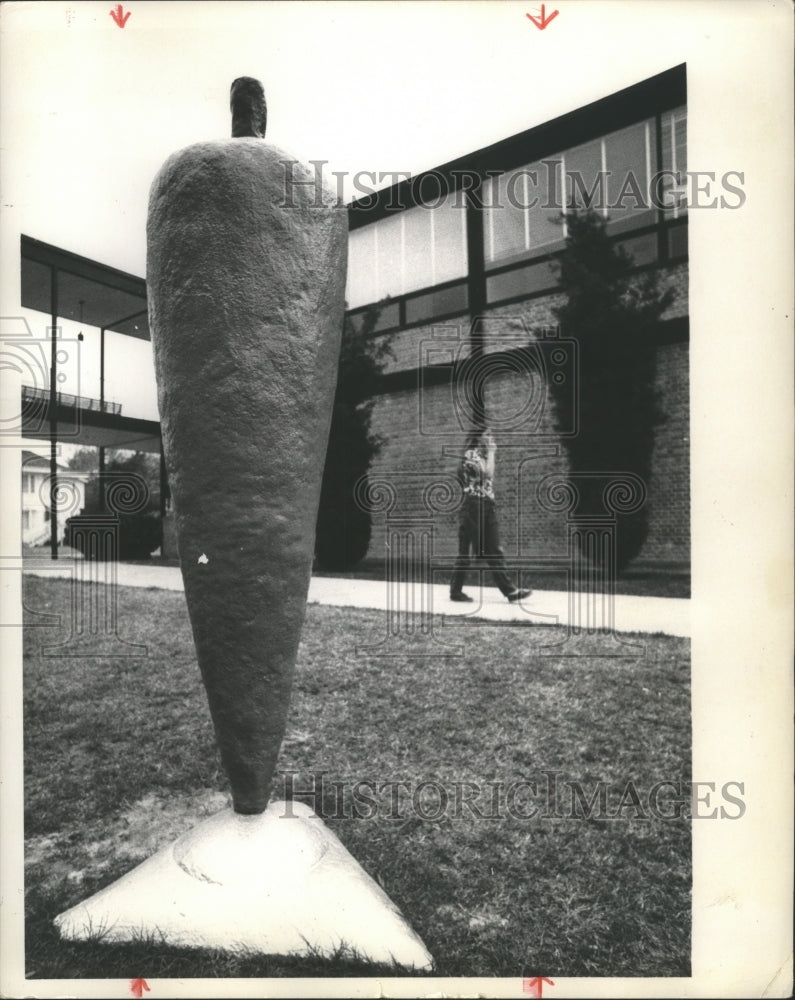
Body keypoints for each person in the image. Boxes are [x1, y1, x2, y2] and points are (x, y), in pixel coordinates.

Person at [449, 428, 531, 604]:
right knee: (465, 552)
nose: (491, 437)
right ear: (479, 439)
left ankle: (510, 592)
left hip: (488, 505)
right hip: (473, 506)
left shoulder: (486, 456)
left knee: (494, 549)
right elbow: (486, 474)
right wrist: (492, 452)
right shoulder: (470, 455)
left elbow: (488, 480)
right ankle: (455, 592)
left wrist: (491, 454)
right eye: (487, 435)